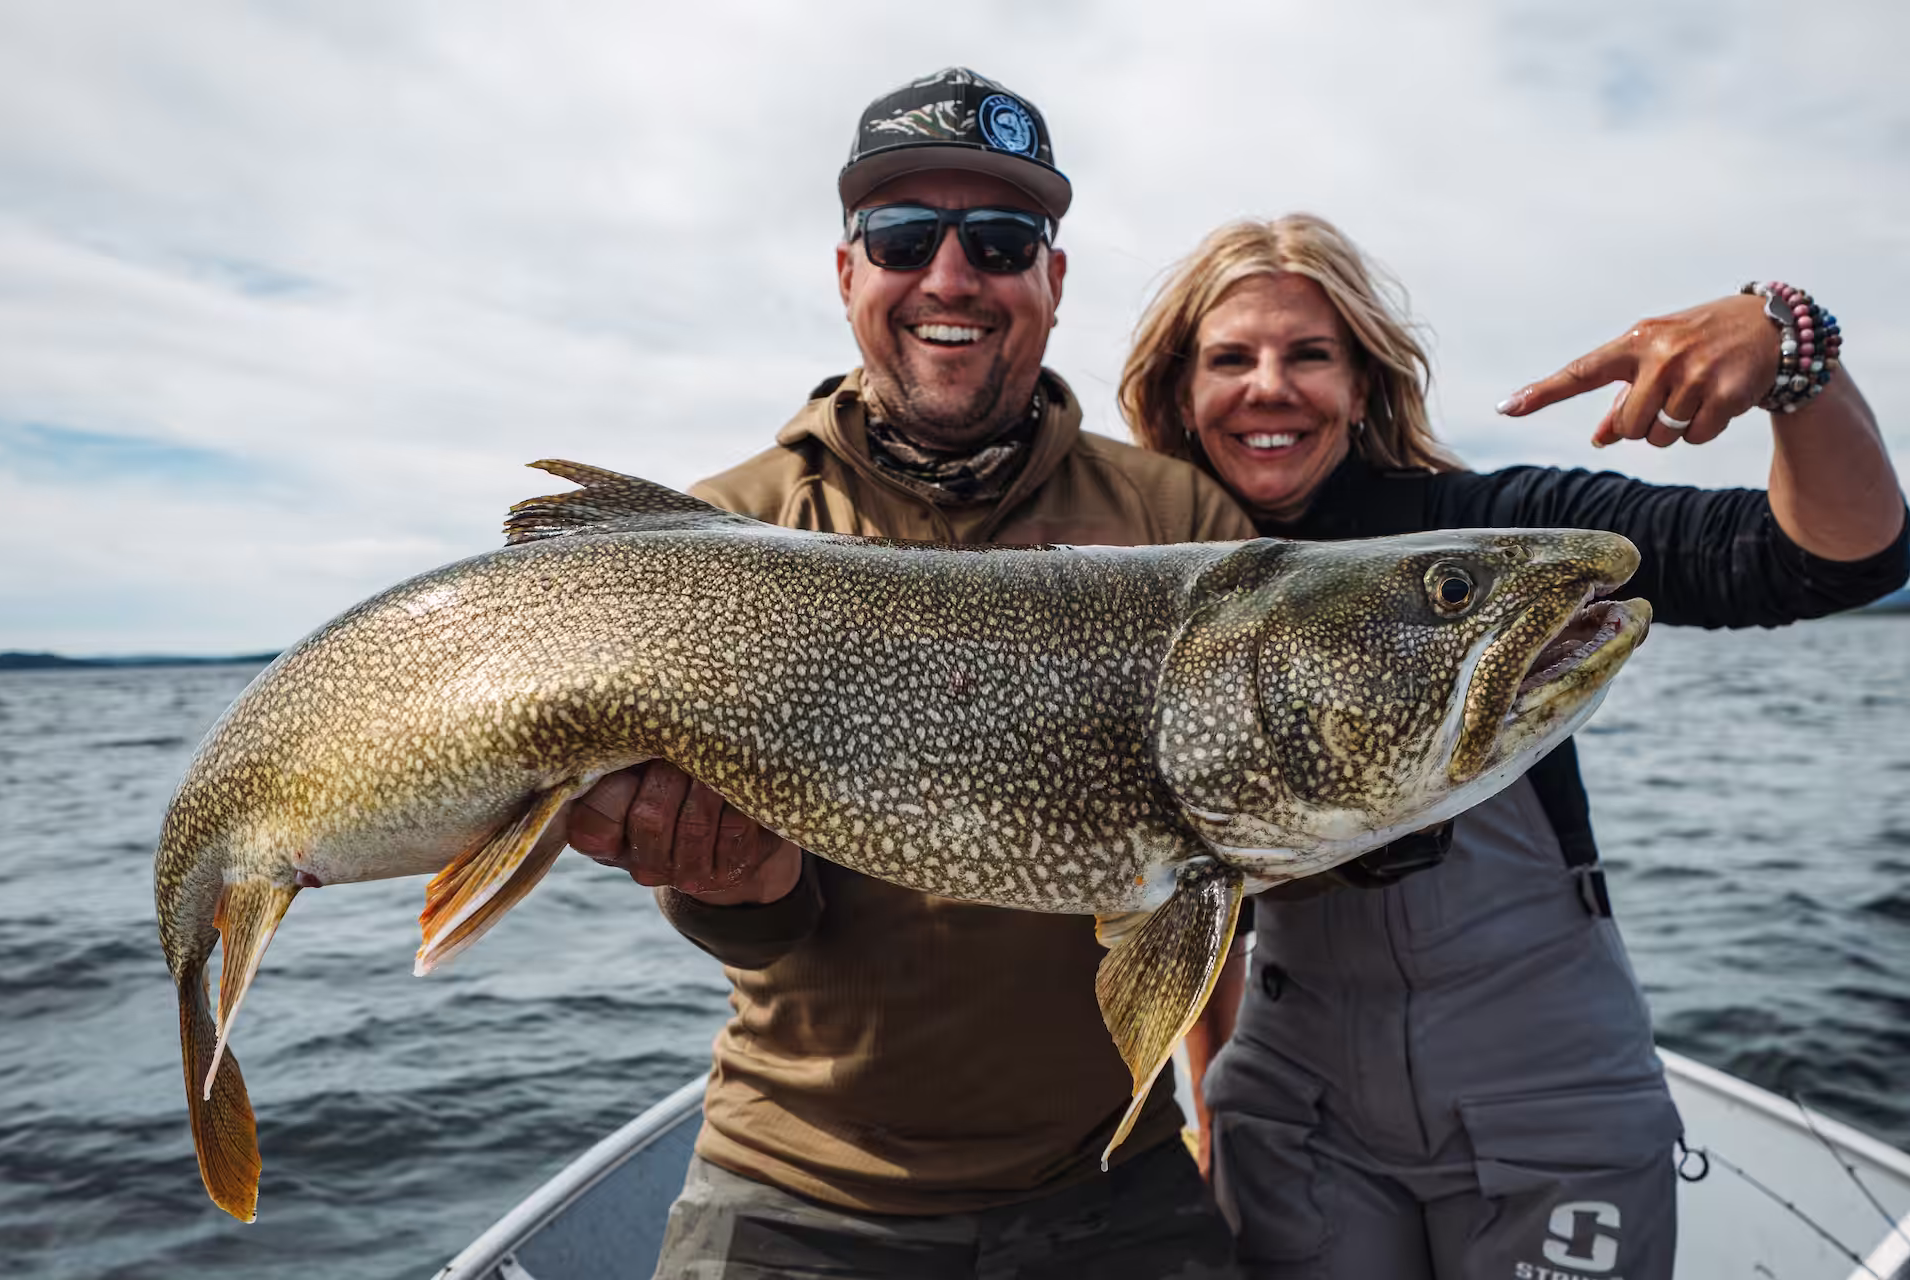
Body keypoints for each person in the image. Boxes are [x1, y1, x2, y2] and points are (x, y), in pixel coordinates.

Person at [1120, 213, 1909, 1280]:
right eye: (1230, 359)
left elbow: (1827, 559)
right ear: (1180, 393)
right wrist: (1213, 1100)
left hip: (1552, 1103)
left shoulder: (1489, 538)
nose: (1270, 385)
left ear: (1363, 384)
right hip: (1301, 1116)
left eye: (1310, 354)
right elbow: (1185, 888)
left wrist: (1792, 356)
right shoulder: (1161, 589)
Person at [566, 69, 1254, 1279]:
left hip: (1112, 1175)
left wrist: (1221, 1113)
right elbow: (758, 924)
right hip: (797, 1181)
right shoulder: (728, 528)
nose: (950, 276)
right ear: (849, 274)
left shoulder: (1179, 520)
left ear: (1051, 280)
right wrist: (731, 884)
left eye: (999, 240)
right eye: (901, 236)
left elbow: (1216, 866)